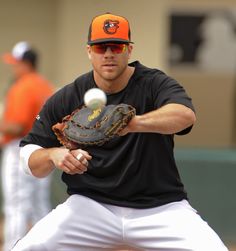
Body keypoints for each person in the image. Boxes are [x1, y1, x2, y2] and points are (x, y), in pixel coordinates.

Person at [12, 13, 228, 251]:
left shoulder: (154, 83)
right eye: (100, 47)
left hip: (160, 208)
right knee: (31, 247)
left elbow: (185, 115)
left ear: (129, 50)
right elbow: (28, 156)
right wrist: (54, 155)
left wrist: (133, 124)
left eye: (116, 46)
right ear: (89, 51)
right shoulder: (68, 96)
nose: (108, 54)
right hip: (90, 206)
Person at [1, 41, 54, 251]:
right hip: (43, 149)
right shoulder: (44, 85)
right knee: (39, 204)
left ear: (26, 64)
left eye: (16, 63)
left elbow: (17, 126)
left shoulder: (24, 86)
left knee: (16, 205)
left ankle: (13, 247)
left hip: (20, 149)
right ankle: (49, 247)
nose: (14, 67)